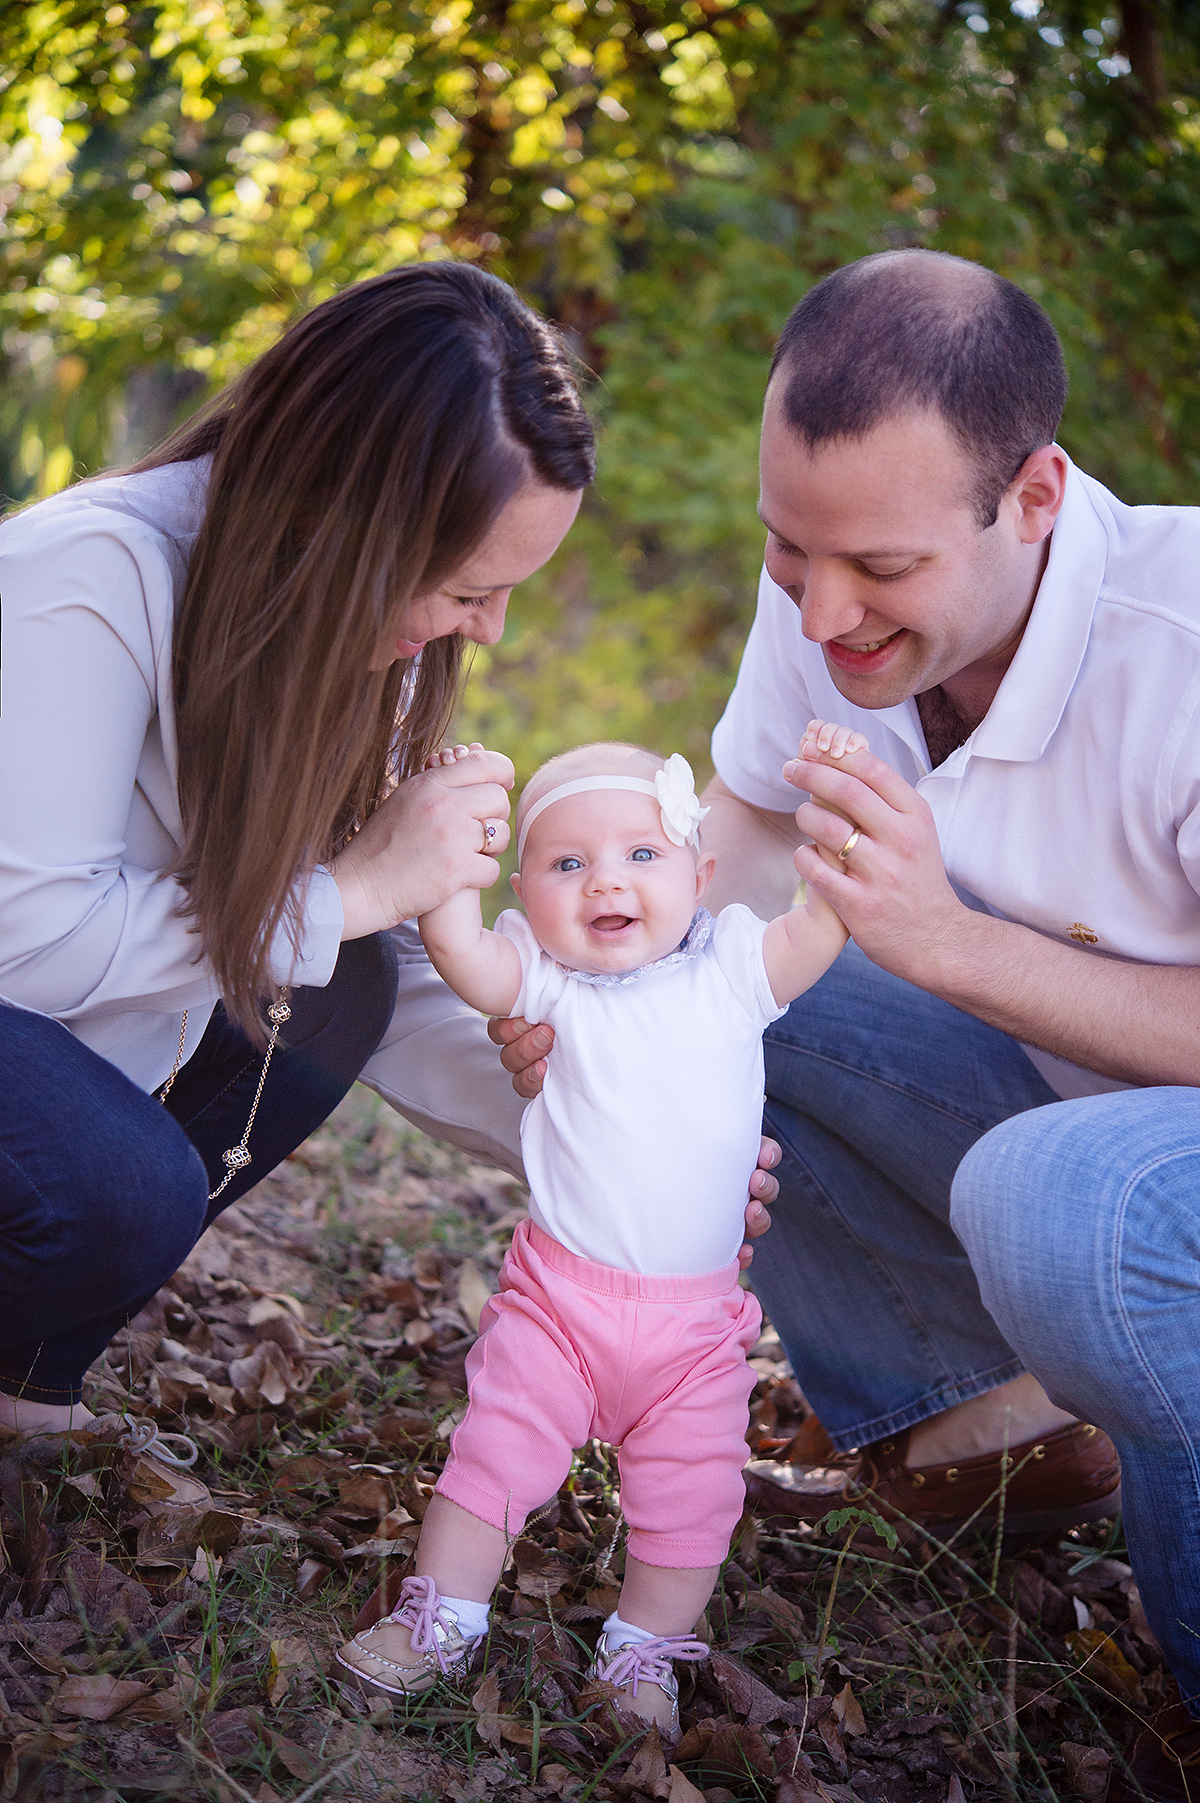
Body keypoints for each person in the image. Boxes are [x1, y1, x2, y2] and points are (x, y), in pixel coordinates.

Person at [0, 258, 775, 1465]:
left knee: (339, 978)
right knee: (125, 1183)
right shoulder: (85, 582)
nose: (490, 629)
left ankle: (25, 1374)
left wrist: (634, 1129)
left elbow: (369, 968)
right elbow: (29, 950)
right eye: (469, 589)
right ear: (345, 522)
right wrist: (356, 888)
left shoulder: (354, 635)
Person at [692, 249, 1200, 1717]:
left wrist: (956, 945)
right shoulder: (835, 583)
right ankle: (981, 1436)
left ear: (1034, 496)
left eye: (883, 569)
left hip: (1126, 1157)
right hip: (1041, 1092)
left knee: (1067, 1200)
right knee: (711, 967)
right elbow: (741, 828)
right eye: (792, 549)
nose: (820, 613)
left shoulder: (1181, 646)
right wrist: (605, 993)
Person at [336, 736, 855, 1734]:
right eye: (567, 864)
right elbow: (461, 955)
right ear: (526, 893)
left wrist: (838, 828)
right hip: (560, 1305)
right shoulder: (546, 982)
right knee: (494, 1453)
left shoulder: (733, 970)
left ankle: (641, 1657)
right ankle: (440, 1618)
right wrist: (454, 862)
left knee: (693, 1496)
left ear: (701, 878)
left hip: (695, 1330)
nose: (606, 880)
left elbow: (821, 925)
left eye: (641, 856)